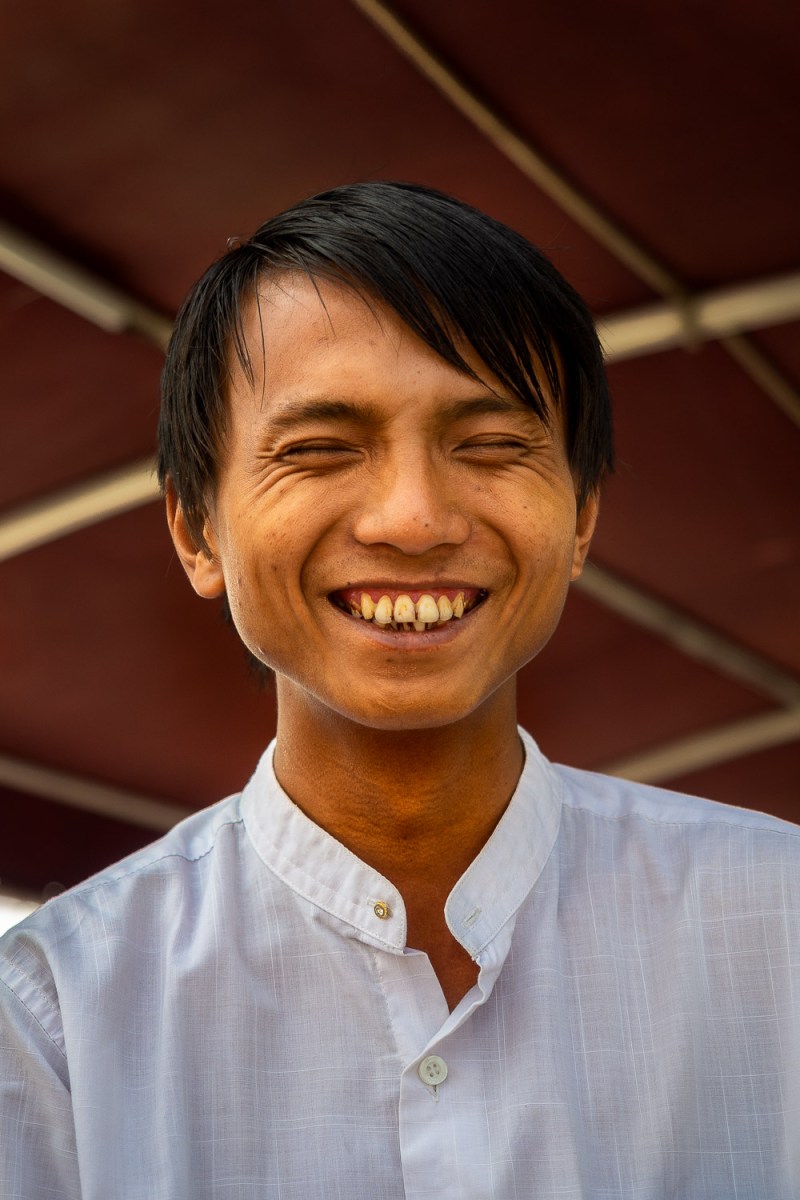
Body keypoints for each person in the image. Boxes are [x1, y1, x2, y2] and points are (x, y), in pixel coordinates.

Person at [1, 182, 798, 1199]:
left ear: (581, 522)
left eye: (490, 445)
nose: (413, 519)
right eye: (321, 449)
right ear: (198, 530)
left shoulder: (781, 935)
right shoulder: (49, 1021)